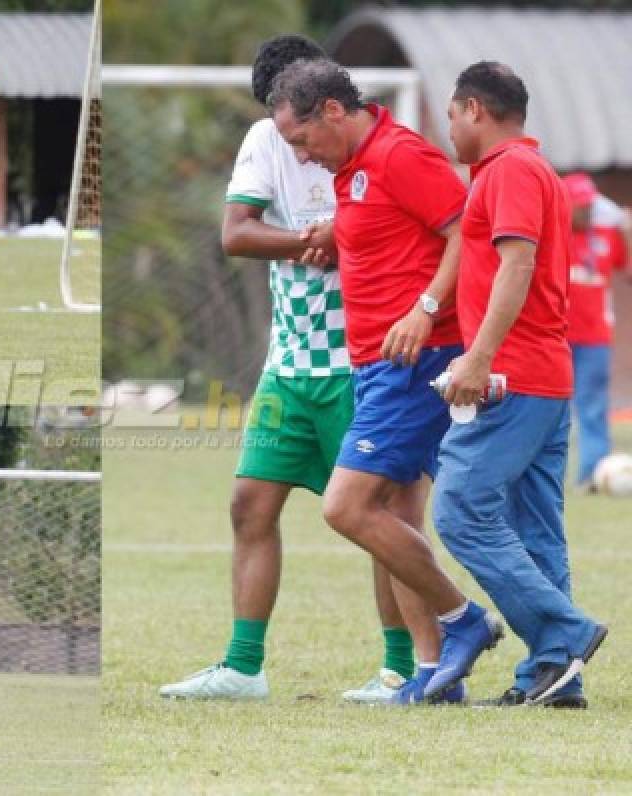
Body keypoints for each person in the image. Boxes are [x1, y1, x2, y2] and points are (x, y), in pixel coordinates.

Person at [158, 36, 424, 705]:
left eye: (294, 119)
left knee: (380, 517)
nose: (292, 139)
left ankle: (400, 669)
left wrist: (356, 243)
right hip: (291, 366)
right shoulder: (265, 140)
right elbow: (236, 234)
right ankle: (243, 667)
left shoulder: (384, 149)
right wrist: (314, 240)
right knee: (249, 504)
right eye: (277, 117)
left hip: (364, 365)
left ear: (322, 104)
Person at [270, 58, 492, 704]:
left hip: (412, 364)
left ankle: (463, 619)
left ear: (332, 112)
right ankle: (432, 674)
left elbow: (465, 234)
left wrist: (424, 310)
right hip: (373, 365)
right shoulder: (353, 167)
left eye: (301, 139)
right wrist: (340, 232)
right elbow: (394, 225)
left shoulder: (400, 155)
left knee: (346, 507)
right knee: (397, 513)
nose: (302, 156)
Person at [434, 61, 607, 707]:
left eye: (451, 116)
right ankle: (555, 677)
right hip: (546, 375)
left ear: (475, 108)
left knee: (459, 510)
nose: (448, 130)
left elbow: (518, 262)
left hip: (515, 377)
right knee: (536, 532)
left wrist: (477, 358)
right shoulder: (536, 171)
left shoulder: (508, 170)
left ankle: (564, 631)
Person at [561, 173, 627, 490]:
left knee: (593, 407)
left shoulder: (606, 235)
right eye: (580, 206)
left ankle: (591, 477)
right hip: (556, 337)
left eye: (590, 205)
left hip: (595, 339)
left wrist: (626, 230)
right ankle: (547, 480)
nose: (587, 212)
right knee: (551, 412)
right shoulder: (551, 236)